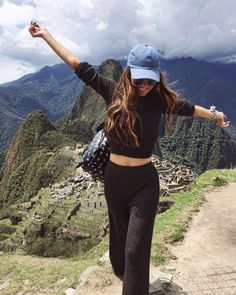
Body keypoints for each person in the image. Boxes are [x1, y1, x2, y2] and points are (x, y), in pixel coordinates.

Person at [28, 21, 229, 295]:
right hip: (115, 180)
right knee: (120, 238)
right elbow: (76, 64)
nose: (145, 85)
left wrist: (215, 115)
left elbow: (190, 109)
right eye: (140, 79)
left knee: (136, 248)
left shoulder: (160, 100)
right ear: (129, 73)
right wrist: (46, 36)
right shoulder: (113, 92)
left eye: (150, 79)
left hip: (145, 182)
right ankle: (122, 273)